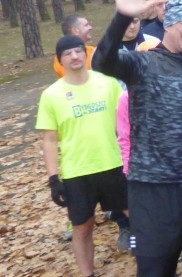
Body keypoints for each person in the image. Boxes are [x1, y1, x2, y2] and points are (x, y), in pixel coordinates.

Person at [92, 0, 182, 276]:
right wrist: (123, 16)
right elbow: (102, 61)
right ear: (168, 23)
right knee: (155, 267)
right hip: (151, 187)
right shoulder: (143, 63)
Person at [37, 36, 128, 276]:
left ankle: (155, 266)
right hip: (78, 172)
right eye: (67, 53)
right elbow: (49, 139)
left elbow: (126, 123)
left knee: (139, 217)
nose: (74, 56)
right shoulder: (51, 95)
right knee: (82, 227)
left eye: (78, 51)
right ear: (60, 60)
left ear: (85, 54)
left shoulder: (108, 83)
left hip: (115, 164)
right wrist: (54, 179)